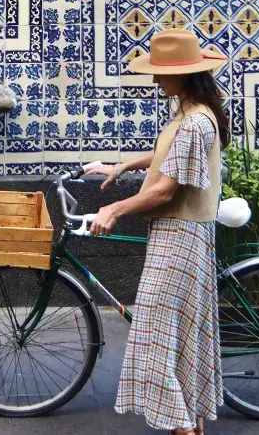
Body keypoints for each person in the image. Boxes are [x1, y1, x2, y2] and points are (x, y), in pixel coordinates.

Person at [84, 30, 230, 435]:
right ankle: (192, 423)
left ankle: (182, 427)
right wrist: (124, 166)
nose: (154, 80)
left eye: (161, 73)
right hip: (186, 238)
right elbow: (168, 154)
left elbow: (166, 189)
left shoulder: (194, 122)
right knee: (182, 334)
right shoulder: (196, 114)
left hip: (179, 240)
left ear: (183, 75)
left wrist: (115, 208)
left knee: (154, 334)